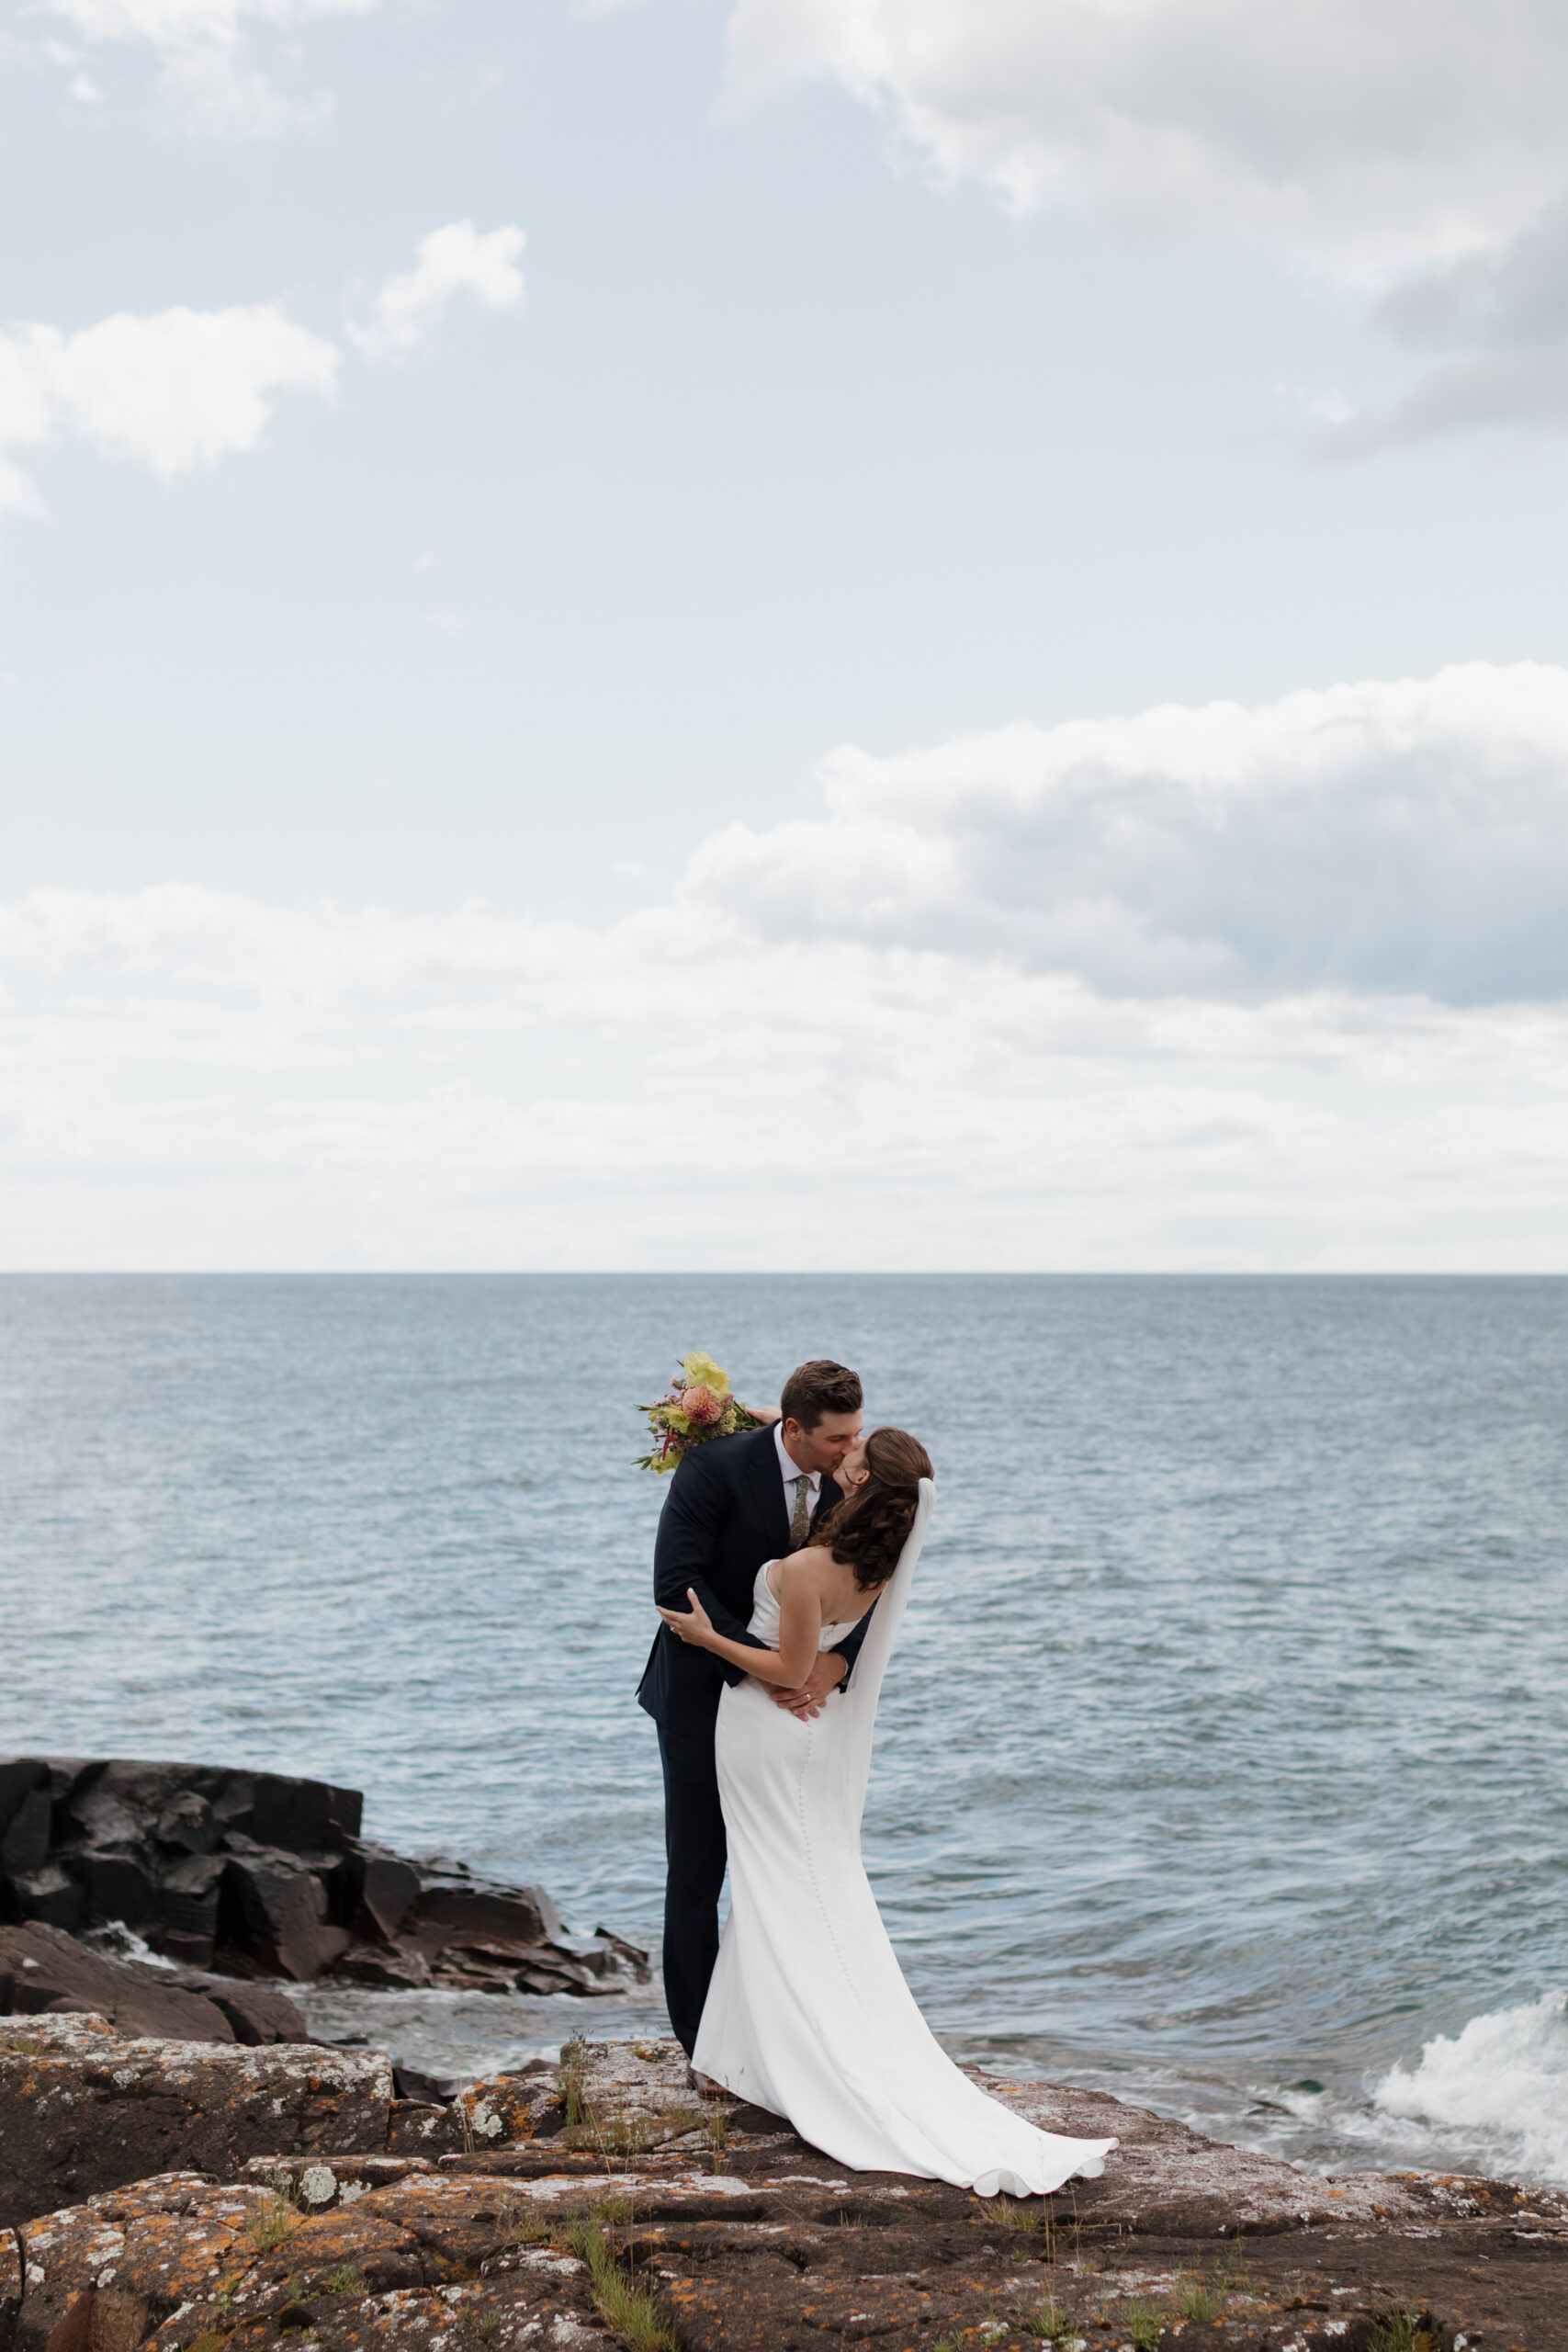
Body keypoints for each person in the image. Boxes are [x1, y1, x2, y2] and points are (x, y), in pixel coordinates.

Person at [655, 1425, 1117, 2197]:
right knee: (796, 1886)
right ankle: (737, 2055)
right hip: (809, 1735)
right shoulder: (878, 1561)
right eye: (842, 1446)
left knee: (770, 1893)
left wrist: (709, 1638)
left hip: (764, 1730)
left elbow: (786, 1668)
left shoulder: (807, 1567)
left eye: (857, 1461)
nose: (844, 1460)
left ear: (868, 1489)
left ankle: (778, 2060)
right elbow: (823, 1655)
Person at [637, 1358, 868, 2062]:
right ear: (792, 1429)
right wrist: (764, 1668)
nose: (849, 1451)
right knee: (699, 1869)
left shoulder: (856, 1481)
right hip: (703, 1693)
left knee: (792, 1866)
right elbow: (677, 1587)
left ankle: (796, 2032)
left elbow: (877, 1575)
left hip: (803, 1706)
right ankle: (704, 2045)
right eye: (836, 1440)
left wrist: (836, 1662)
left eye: (856, 1436)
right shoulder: (713, 1471)